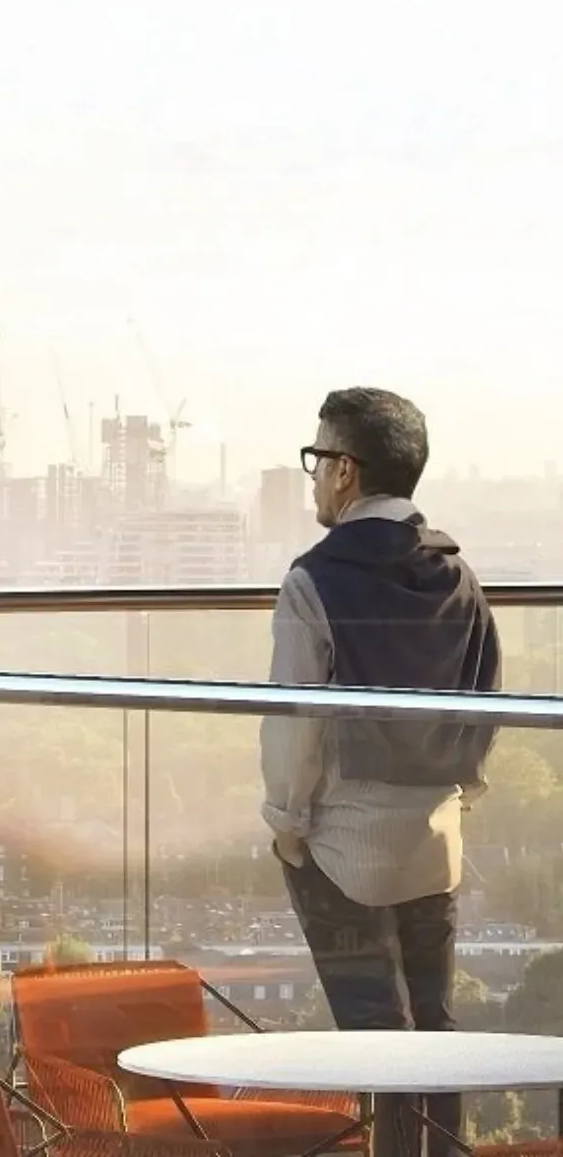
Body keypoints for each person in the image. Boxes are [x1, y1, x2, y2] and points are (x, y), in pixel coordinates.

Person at [262, 387, 498, 1157]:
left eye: (318, 458)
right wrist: (461, 791)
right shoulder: (459, 576)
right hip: (437, 841)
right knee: (436, 1032)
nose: (314, 475)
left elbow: (295, 726)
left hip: (345, 849)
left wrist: (287, 827)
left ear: (346, 472)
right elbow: (489, 697)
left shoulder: (313, 581)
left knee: (378, 1039)